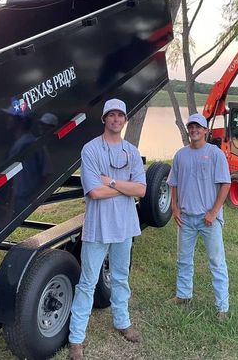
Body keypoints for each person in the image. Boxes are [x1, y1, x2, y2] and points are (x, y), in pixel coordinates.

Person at [68, 98, 146, 360]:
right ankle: (76, 339)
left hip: (125, 226)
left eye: (120, 115)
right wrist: (125, 186)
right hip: (98, 227)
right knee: (88, 282)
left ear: (125, 119)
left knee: (121, 277)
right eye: (111, 115)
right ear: (104, 119)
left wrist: (111, 181)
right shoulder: (90, 150)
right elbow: (94, 191)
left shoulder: (132, 152)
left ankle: (122, 321)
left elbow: (142, 190)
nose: (116, 119)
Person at [167, 113, 232, 321]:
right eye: (191, 126)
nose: (194, 130)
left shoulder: (215, 154)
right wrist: (175, 207)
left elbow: (226, 184)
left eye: (198, 127)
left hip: (208, 219)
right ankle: (183, 295)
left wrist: (213, 212)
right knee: (184, 260)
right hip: (186, 217)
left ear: (206, 131)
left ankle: (222, 306)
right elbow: (174, 183)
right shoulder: (180, 155)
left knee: (216, 261)